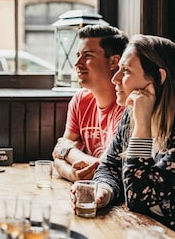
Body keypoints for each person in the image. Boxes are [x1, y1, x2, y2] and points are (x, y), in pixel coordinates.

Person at [74, 34, 175, 230]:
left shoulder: (140, 117)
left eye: (126, 71)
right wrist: (103, 191)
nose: (115, 79)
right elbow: (109, 166)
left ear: (159, 77)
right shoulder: (131, 115)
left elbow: (138, 196)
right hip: (143, 230)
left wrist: (142, 124)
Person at [52, 25, 129, 181]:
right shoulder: (81, 100)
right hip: (87, 188)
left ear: (114, 62)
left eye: (87, 56)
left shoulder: (127, 105)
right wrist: (72, 174)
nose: (77, 63)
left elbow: (110, 168)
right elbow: (57, 158)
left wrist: (69, 152)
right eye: (78, 55)